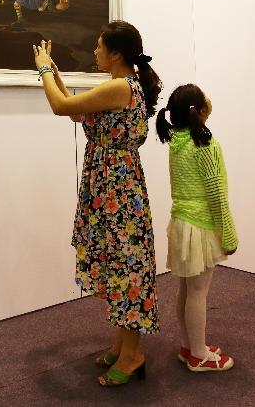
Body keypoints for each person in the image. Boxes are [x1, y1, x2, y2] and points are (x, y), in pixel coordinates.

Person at [31, 21, 162, 386]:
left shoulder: (120, 87)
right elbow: (76, 112)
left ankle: (133, 354)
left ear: (115, 53)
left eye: (99, 46)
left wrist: (43, 70)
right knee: (117, 263)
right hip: (110, 186)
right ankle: (123, 346)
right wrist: (56, 75)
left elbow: (61, 108)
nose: (95, 52)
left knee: (126, 266)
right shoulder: (120, 86)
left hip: (117, 190)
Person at [156, 84, 238, 372]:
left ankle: (189, 345)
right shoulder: (205, 143)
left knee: (187, 290)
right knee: (198, 292)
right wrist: (228, 233)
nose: (210, 100)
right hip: (200, 226)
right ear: (201, 111)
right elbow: (216, 193)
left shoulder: (176, 142)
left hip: (181, 223)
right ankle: (199, 354)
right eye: (206, 98)